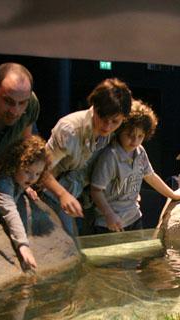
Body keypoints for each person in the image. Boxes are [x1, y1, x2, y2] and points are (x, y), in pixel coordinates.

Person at [0, 62, 81, 221]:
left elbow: (27, 155)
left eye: (22, 103)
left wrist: (61, 193)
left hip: (8, 177)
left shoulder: (32, 104)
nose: (15, 111)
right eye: (8, 101)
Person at [42, 78, 132, 237]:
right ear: (94, 108)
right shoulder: (69, 131)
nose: (108, 127)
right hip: (53, 193)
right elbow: (41, 171)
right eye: (103, 119)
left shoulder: (114, 132)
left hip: (83, 197)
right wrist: (63, 195)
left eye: (115, 122)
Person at [90, 100, 180, 233]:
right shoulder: (110, 156)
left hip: (134, 218)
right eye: (130, 136)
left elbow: (150, 176)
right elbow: (96, 190)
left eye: (140, 136)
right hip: (110, 223)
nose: (135, 141)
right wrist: (109, 215)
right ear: (119, 130)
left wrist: (172, 195)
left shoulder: (140, 151)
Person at [0, 136, 50, 271]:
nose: (32, 178)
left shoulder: (20, 177)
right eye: (27, 172)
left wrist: (26, 187)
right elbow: (9, 210)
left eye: (38, 173)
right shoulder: (3, 181)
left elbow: (23, 179)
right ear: (14, 165)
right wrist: (23, 245)